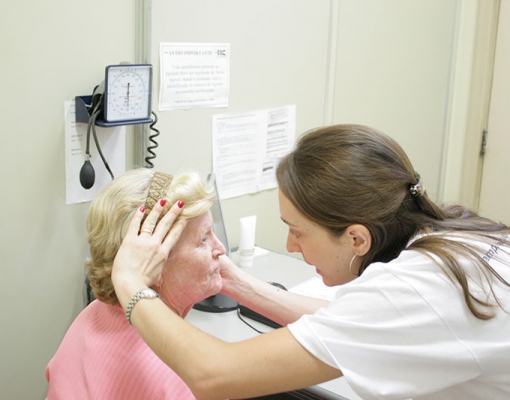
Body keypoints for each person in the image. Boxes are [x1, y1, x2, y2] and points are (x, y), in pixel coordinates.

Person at [111, 124, 510, 400]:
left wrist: (131, 283)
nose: (290, 245)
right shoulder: (450, 234)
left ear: (356, 237)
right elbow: (356, 319)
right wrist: (231, 279)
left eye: (298, 232)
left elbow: (212, 372)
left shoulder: (420, 289)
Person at [46, 168, 226, 400]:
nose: (220, 249)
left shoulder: (90, 317)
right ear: (154, 262)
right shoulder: (179, 376)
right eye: (203, 238)